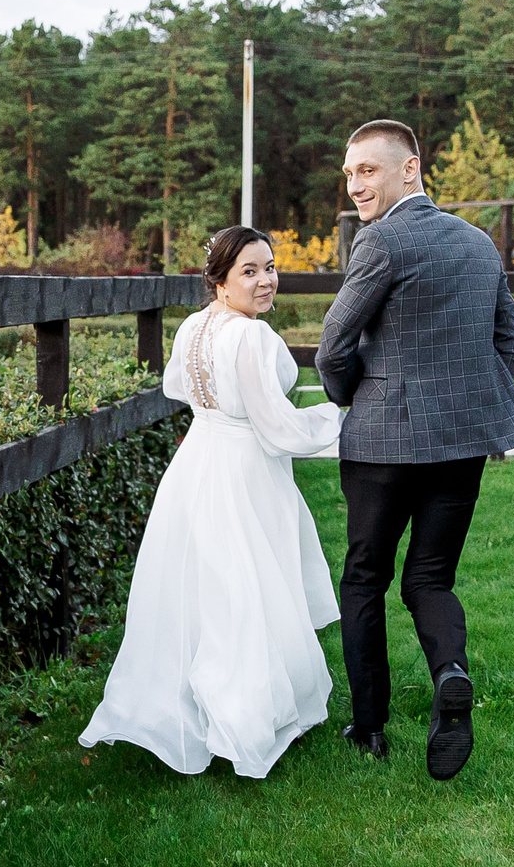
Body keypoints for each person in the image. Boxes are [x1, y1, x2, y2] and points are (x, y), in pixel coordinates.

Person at [80, 226, 344, 778]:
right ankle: (244, 717)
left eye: (270, 267)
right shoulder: (251, 337)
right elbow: (275, 427)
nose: (266, 281)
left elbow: (180, 387)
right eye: (249, 271)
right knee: (250, 587)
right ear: (219, 280)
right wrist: (335, 419)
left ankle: (202, 708)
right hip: (245, 469)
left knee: (207, 588)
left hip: (198, 461)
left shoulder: (196, 327)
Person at [316, 119, 514, 780]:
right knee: (430, 578)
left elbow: (331, 347)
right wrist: (468, 405)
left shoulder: (379, 241)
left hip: (382, 444)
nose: (356, 185)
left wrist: (358, 395)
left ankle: (369, 728)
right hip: (459, 447)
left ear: (411, 168)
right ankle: (450, 672)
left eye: (369, 170)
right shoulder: (477, 243)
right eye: (350, 173)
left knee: (364, 578)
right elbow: (512, 344)